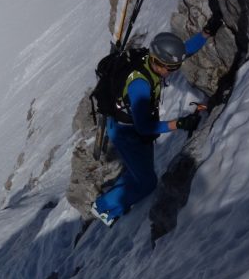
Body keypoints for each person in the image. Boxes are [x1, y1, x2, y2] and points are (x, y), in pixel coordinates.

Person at [91, 19, 220, 227]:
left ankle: (115, 202)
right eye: (171, 68)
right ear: (158, 63)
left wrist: (205, 34)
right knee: (148, 182)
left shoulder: (152, 59)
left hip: (133, 128)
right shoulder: (140, 85)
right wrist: (178, 124)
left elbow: (183, 51)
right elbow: (144, 127)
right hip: (127, 133)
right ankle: (104, 207)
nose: (174, 71)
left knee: (141, 173)